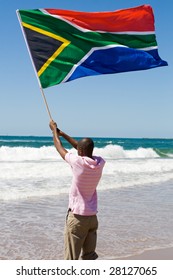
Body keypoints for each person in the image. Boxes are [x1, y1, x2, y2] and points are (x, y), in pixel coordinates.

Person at [49, 120, 105, 260]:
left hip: (78, 218)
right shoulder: (99, 163)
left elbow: (59, 147)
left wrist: (54, 132)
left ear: (80, 152)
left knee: (71, 258)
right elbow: (80, 148)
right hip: (92, 217)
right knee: (89, 257)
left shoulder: (77, 162)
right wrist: (63, 134)